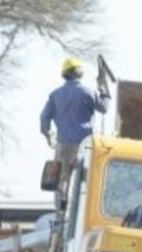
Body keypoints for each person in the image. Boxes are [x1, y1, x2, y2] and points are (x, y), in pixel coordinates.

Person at [40, 57, 110, 206]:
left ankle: (61, 211)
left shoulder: (55, 95)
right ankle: (83, 209)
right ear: (79, 73)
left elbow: (44, 119)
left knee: (62, 180)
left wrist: (48, 136)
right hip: (86, 145)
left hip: (63, 144)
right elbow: (104, 108)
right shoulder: (88, 92)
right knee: (86, 179)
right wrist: (103, 89)